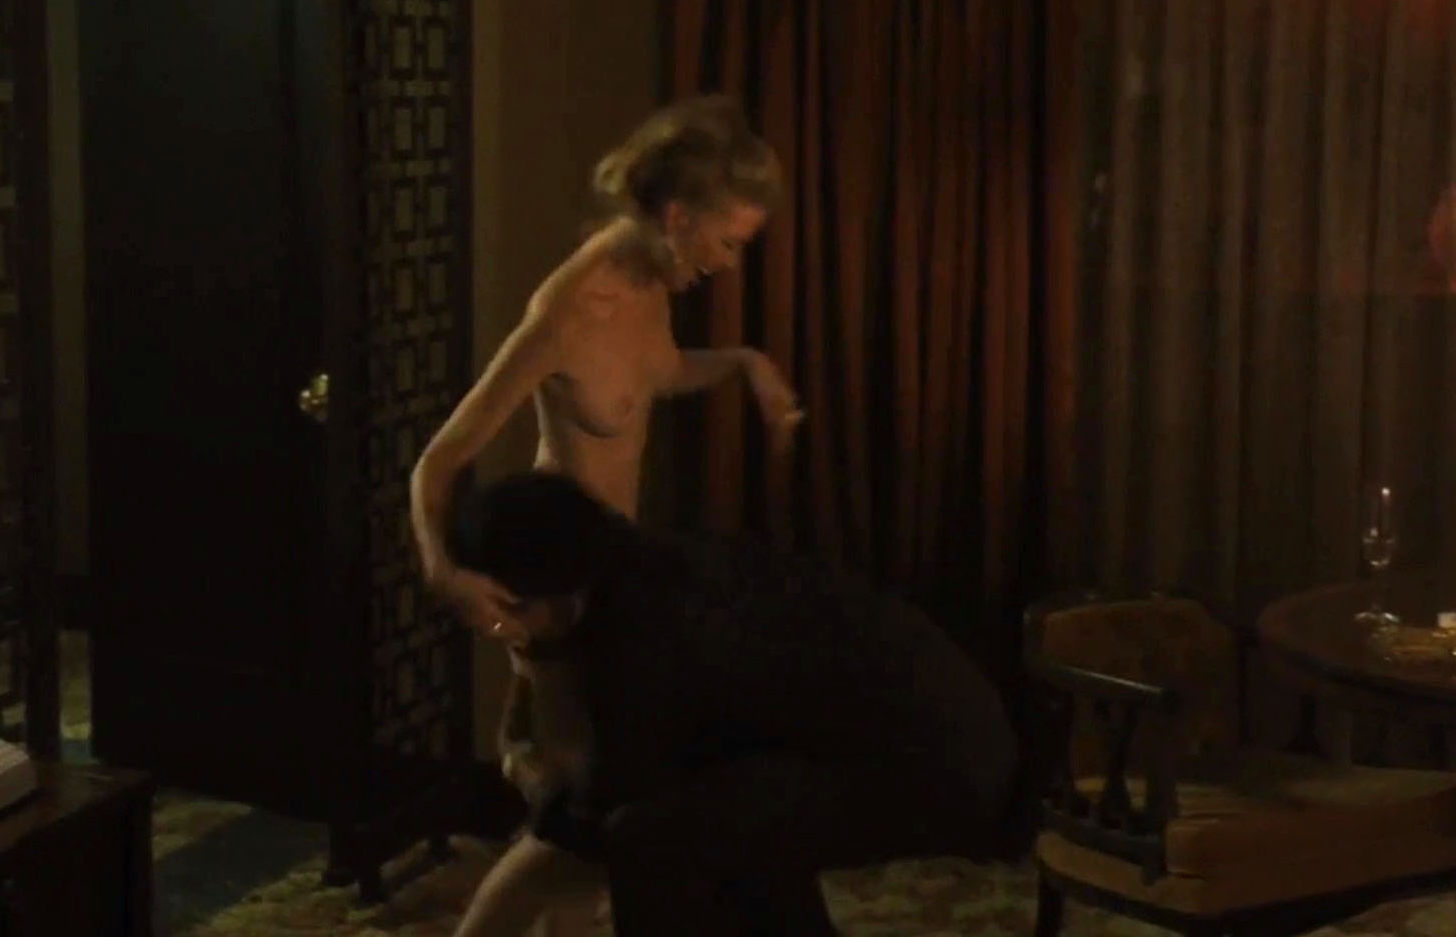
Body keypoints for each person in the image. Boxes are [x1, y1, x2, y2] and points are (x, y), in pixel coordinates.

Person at [408, 95, 805, 934]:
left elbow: (657, 373)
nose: (730, 263)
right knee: (575, 827)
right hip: (555, 591)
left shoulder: (652, 281)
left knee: (592, 832)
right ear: (678, 216)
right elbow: (438, 461)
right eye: (728, 242)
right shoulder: (570, 308)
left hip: (615, 580)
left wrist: (744, 363)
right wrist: (444, 573)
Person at [445, 471, 1020, 937]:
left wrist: (532, 724)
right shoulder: (641, 564)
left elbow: (593, 814)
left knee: (647, 838)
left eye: (498, 612)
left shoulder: (643, 637)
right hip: (932, 735)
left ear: (544, 596)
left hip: (934, 767)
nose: (491, 626)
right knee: (726, 814)